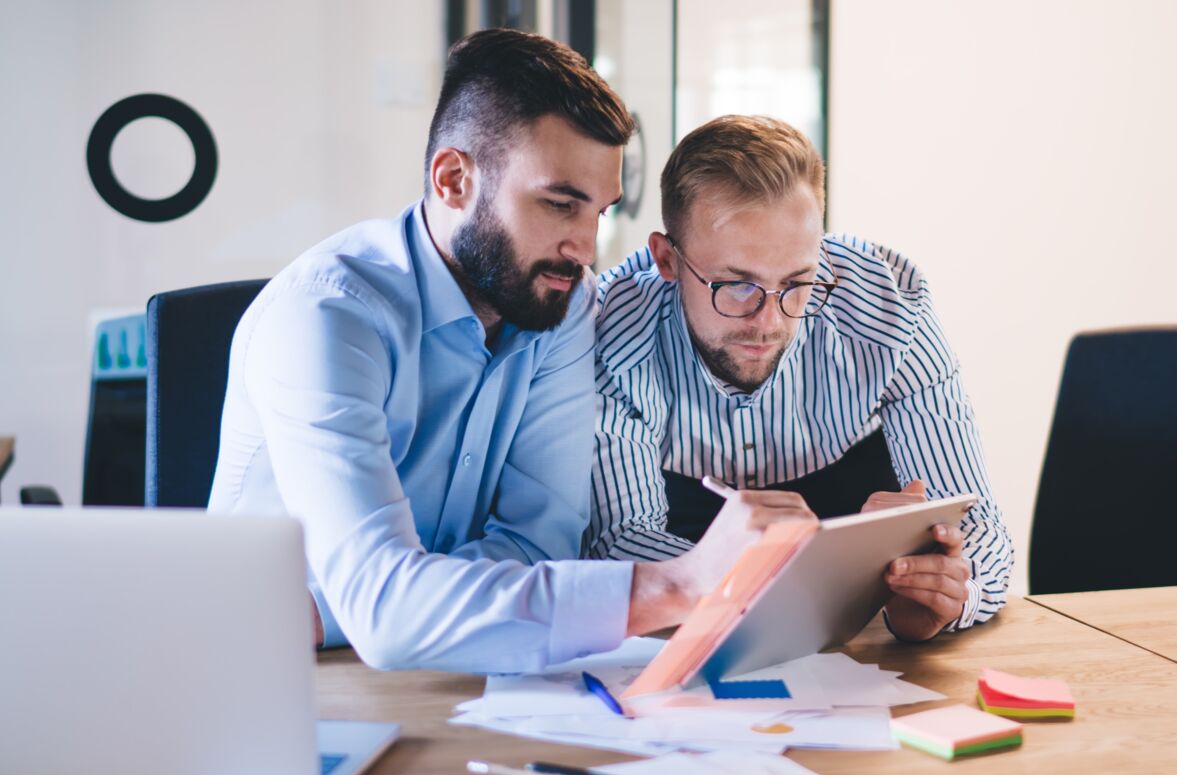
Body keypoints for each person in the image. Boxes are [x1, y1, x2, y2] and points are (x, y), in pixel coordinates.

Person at [209, 31, 790, 672]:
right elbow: (385, 617)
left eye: (598, 212)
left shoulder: (561, 304)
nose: (584, 246)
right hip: (266, 679)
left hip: (430, 671)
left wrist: (342, 608)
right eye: (559, 205)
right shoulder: (325, 316)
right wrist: (679, 584)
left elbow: (537, 545)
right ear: (454, 179)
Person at [585, 115, 1012, 642]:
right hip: (682, 639)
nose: (769, 322)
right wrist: (767, 589)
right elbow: (618, 545)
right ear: (667, 260)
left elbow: (976, 526)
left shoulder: (890, 308)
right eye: (736, 286)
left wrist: (946, 593)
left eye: (797, 282)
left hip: (864, 657)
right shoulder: (609, 330)